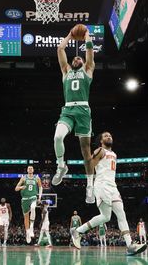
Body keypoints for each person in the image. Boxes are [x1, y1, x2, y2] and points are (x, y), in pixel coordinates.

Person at [70, 132, 147, 256]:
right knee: (107, 216)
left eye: (110, 135)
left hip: (113, 187)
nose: (109, 137)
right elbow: (89, 166)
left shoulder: (114, 154)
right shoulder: (100, 150)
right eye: (105, 136)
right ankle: (78, 232)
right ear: (101, 141)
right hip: (101, 186)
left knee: (115, 215)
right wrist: (89, 185)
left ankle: (130, 246)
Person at [52, 25, 96, 204]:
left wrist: (86, 35)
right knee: (57, 137)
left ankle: (90, 186)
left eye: (80, 57)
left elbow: (90, 51)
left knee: (86, 151)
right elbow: (60, 49)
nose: (77, 58)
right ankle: (61, 166)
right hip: (68, 109)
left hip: (84, 111)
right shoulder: (66, 71)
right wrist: (70, 34)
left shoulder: (88, 70)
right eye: (75, 57)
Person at [15, 166, 42, 243]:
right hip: (24, 199)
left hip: (33, 197)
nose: (30, 169)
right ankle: (27, 233)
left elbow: (40, 187)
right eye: (29, 168)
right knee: (26, 217)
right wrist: (21, 187)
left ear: (33, 170)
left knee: (33, 208)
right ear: (27, 170)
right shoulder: (23, 178)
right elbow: (16, 188)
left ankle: (31, 227)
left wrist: (39, 197)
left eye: (31, 168)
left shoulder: (37, 178)